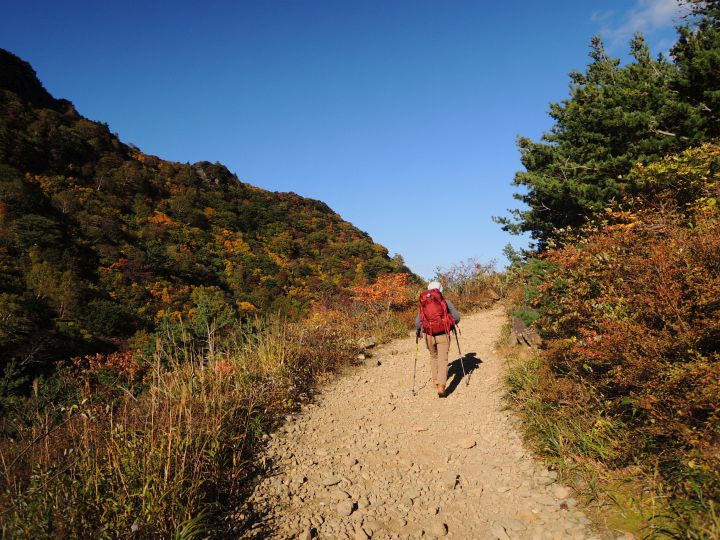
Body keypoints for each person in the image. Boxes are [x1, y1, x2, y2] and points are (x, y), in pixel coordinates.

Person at [415, 281, 461, 397]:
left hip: (429, 336)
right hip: (443, 334)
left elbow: (418, 323)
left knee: (433, 356)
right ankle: (441, 386)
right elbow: (457, 317)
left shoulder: (424, 303)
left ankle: (435, 380)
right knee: (443, 360)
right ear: (441, 290)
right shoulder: (446, 302)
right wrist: (450, 324)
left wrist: (418, 331)